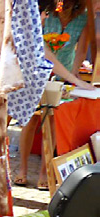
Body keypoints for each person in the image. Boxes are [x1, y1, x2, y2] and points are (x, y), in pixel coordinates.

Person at [17, 0, 94, 188]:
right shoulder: (45, 12)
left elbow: (81, 49)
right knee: (30, 119)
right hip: (35, 72)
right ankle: (22, 169)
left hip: (64, 72)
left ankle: (45, 172)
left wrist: (74, 75)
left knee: (52, 121)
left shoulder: (83, 18)